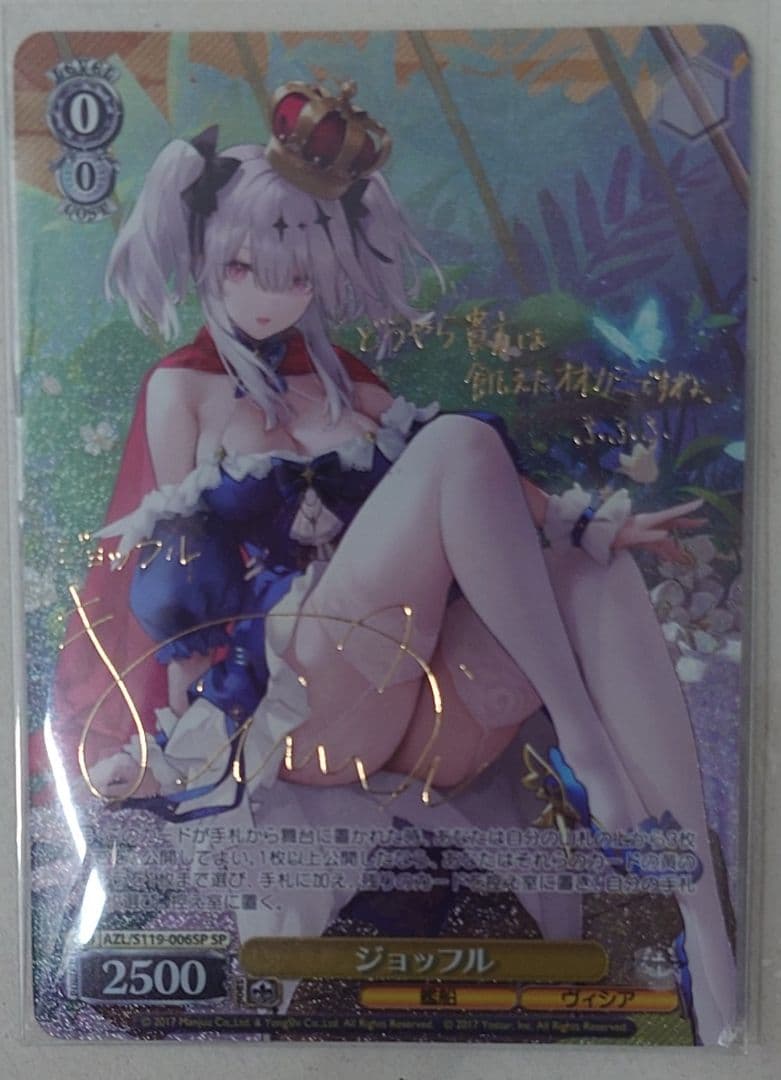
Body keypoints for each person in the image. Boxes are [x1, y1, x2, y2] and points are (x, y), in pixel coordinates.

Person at [48, 83, 735, 1043]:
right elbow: (182, 580)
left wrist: (587, 527)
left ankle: (710, 944)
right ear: (204, 256)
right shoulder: (184, 392)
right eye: (246, 269)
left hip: (413, 711)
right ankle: (582, 740)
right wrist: (170, 748)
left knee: (594, 571)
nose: (271, 296)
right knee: (455, 442)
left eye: (297, 276)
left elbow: (483, 490)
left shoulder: (346, 382)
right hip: (299, 704)